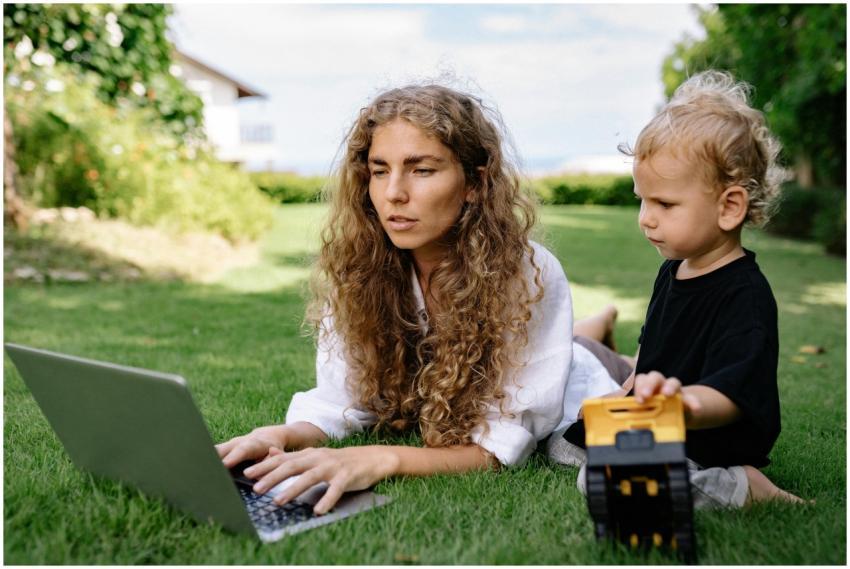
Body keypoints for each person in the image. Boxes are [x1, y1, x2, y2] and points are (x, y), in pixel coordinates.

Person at [216, 84, 624, 515]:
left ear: (474, 183)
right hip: (547, 347)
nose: (393, 193)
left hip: (575, 375)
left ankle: (600, 334)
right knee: (578, 341)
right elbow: (339, 400)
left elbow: (500, 446)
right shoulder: (359, 268)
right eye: (378, 170)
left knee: (593, 360)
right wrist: (279, 434)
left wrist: (383, 457)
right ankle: (596, 326)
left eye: (422, 170)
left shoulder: (527, 274)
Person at [548, 70, 806, 508]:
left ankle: (744, 485)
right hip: (658, 424)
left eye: (664, 204)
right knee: (560, 443)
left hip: (706, 439)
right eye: (642, 200)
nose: (645, 218)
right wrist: (624, 394)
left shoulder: (744, 295)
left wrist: (680, 405)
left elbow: (731, 394)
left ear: (729, 207)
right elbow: (655, 351)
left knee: (602, 477)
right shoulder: (674, 270)